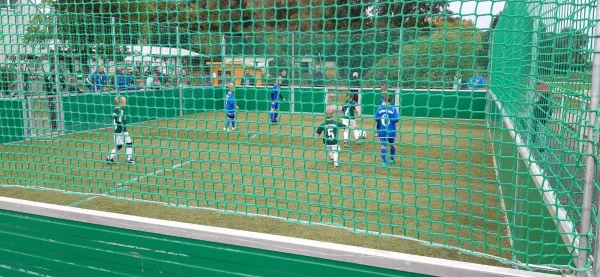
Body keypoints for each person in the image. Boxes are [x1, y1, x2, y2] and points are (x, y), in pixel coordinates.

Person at [106, 96, 136, 164]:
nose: (125, 103)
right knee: (129, 143)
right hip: (121, 130)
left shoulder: (116, 109)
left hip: (117, 131)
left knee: (119, 146)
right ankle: (129, 159)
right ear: (121, 103)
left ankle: (109, 158)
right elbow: (118, 120)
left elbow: (113, 116)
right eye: (125, 102)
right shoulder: (120, 110)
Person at [375, 95, 400, 167]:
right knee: (392, 145)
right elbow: (396, 119)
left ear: (384, 100)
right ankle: (392, 159)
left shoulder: (379, 109)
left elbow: (376, 118)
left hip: (383, 131)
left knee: (383, 145)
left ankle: (383, 162)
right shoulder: (393, 109)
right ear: (391, 101)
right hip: (391, 130)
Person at [533, 82, 552, 153]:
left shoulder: (545, 95)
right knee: (541, 130)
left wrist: (535, 103)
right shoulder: (542, 94)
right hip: (541, 115)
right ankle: (540, 145)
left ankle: (542, 146)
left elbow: (542, 104)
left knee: (542, 130)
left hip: (543, 115)